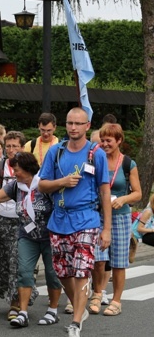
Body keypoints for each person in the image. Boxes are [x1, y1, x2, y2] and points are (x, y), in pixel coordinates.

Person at [38, 107, 112, 337]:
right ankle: (79, 303)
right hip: (59, 218)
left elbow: (105, 191)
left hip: (86, 218)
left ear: (87, 126)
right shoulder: (56, 152)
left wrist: (106, 229)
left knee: (81, 271)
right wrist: (63, 181)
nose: (73, 128)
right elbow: (42, 185)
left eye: (78, 124)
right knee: (62, 272)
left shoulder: (95, 153)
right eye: (70, 123)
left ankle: (76, 321)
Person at [0, 152, 62, 328]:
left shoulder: (44, 185)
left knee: (52, 274)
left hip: (49, 236)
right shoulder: (15, 186)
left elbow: (59, 206)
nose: (14, 173)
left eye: (17, 170)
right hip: (27, 236)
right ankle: (23, 313)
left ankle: (52, 310)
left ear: (28, 170)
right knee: (24, 272)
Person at [90, 123, 142, 316]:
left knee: (119, 262)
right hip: (98, 215)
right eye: (102, 140)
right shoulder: (95, 160)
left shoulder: (128, 164)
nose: (104, 144)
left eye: (109, 140)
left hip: (120, 217)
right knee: (98, 258)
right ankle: (97, 294)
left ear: (119, 140)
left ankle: (116, 301)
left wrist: (124, 199)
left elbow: (138, 194)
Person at [0, 130, 33, 321]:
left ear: (23, 147)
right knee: (0, 261)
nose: (12, 149)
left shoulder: (29, 166)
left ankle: (15, 303)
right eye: (9, 146)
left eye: (16, 146)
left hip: (22, 221)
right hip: (2, 219)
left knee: (17, 261)